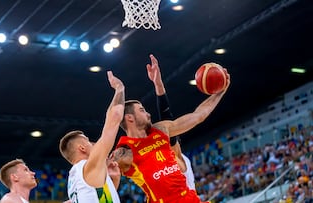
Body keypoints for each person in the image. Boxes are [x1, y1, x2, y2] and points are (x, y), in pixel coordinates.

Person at [112, 55, 230, 203]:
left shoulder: (161, 130)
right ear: (130, 118)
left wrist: (221, 92)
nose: (148, 114)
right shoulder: (125, 152)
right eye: (142, 110)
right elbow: (101, 176)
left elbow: (198, 116)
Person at [59, 71, 124, 203]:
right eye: (88, 141)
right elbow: (114, 118)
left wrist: (114, 180)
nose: (93, 143)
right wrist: (120, 88)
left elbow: (98, 199)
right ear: (82, 148)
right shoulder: (85, 167)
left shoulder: (74, 179)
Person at [146, 54, 196, 190]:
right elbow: (167, 118)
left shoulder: (175, 157)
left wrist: (158, 85)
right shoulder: (167, 158)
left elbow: (167, 118)